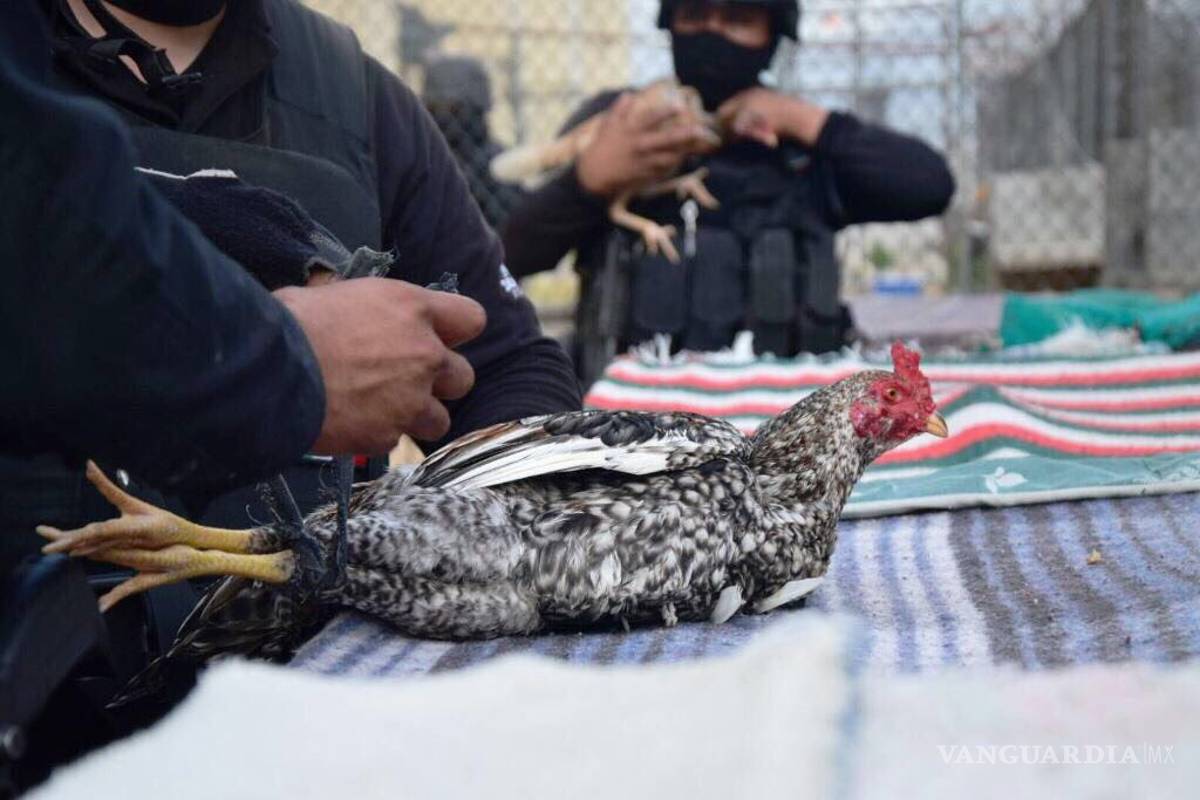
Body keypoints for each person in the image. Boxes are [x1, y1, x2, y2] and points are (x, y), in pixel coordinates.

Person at [30, 0, 582, 529]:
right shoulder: (21, 69)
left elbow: (503, 365)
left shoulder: (352, 92)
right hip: (50, 602)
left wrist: (521, 532)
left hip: (314, 611)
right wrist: (280, 362)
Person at [501, 0, 956, 383]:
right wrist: (588, 182)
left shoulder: (800, 149)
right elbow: (507, 255)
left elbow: (928, 186)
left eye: (738, 20)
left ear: (773, 35)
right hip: (629, 426)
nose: (712, 35)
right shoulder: (622, 121)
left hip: (784, 422)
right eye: (695, 15)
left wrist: (800, 119)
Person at [422, 54, 528, 231]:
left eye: (454, 108)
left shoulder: (499, 162)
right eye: (434, 108)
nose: (443, 116)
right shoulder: (420, 162)